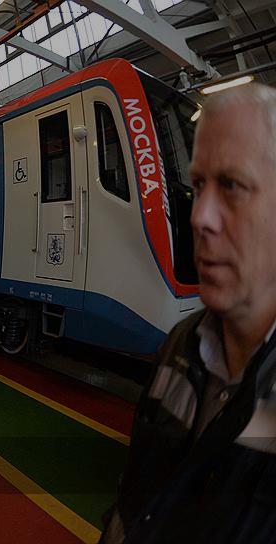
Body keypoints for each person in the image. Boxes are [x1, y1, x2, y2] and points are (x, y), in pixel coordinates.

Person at [101, 84, 276, 543]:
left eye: (232, 185)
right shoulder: (180, 344)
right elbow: (133, 499)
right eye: (198, 186)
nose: (200, 217)